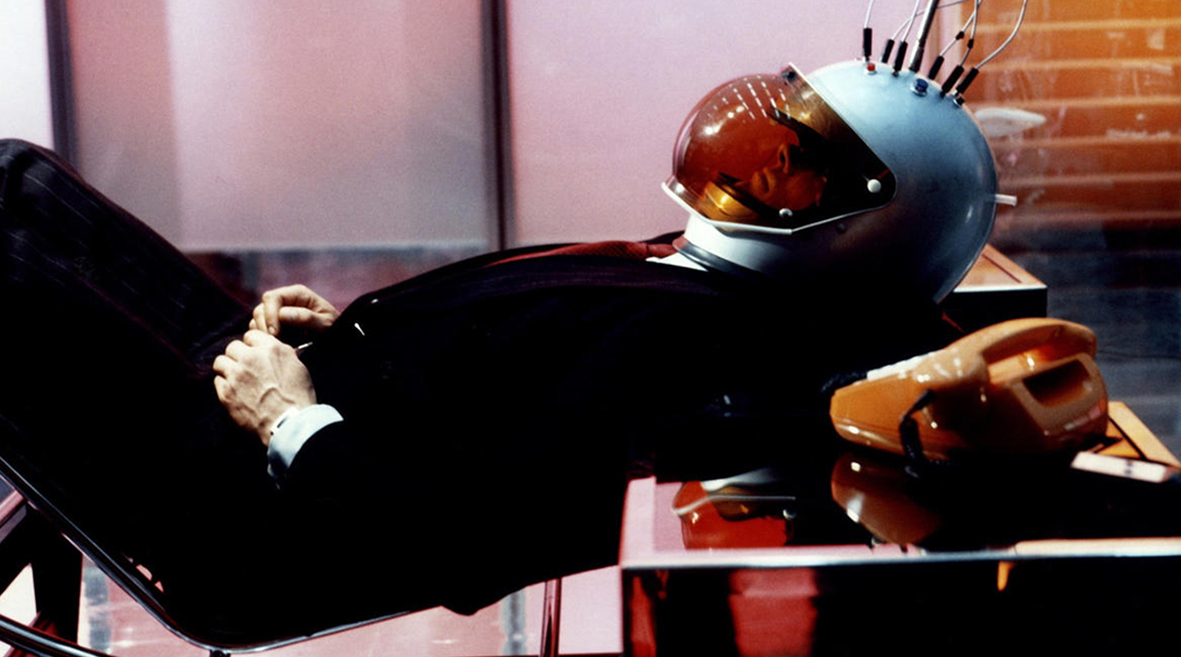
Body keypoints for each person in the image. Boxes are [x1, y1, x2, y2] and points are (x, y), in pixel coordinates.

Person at [0, 59, 1000, 641]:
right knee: (17, 179)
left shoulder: (712, 354)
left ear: (870, 226)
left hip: (251, 504)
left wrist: (291, 418)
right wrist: (349, 332)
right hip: (282, 401)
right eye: (769, 148)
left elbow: (466, 538)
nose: (753, 168)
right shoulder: (707, 280)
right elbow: (502, 364)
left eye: (792, 168)